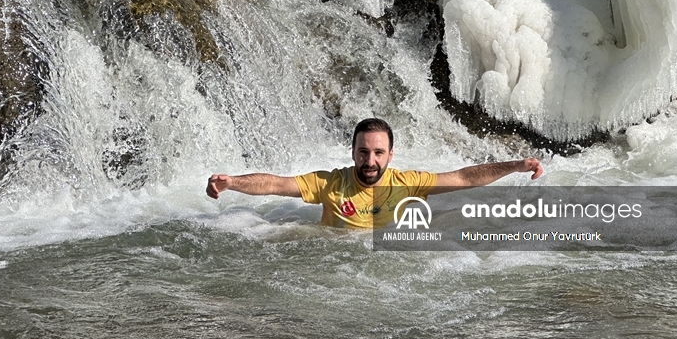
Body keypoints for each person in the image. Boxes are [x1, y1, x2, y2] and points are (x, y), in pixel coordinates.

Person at [205, 117, 543, 228]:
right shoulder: (330, 183)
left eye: (378, 153)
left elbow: (465, 178)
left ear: (390, 155)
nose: (370, 161)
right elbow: (276, 184)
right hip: (333, 261)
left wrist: (515, 165)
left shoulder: (407, 184)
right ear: (352, 152)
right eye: (364, 152)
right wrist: (232, 182)